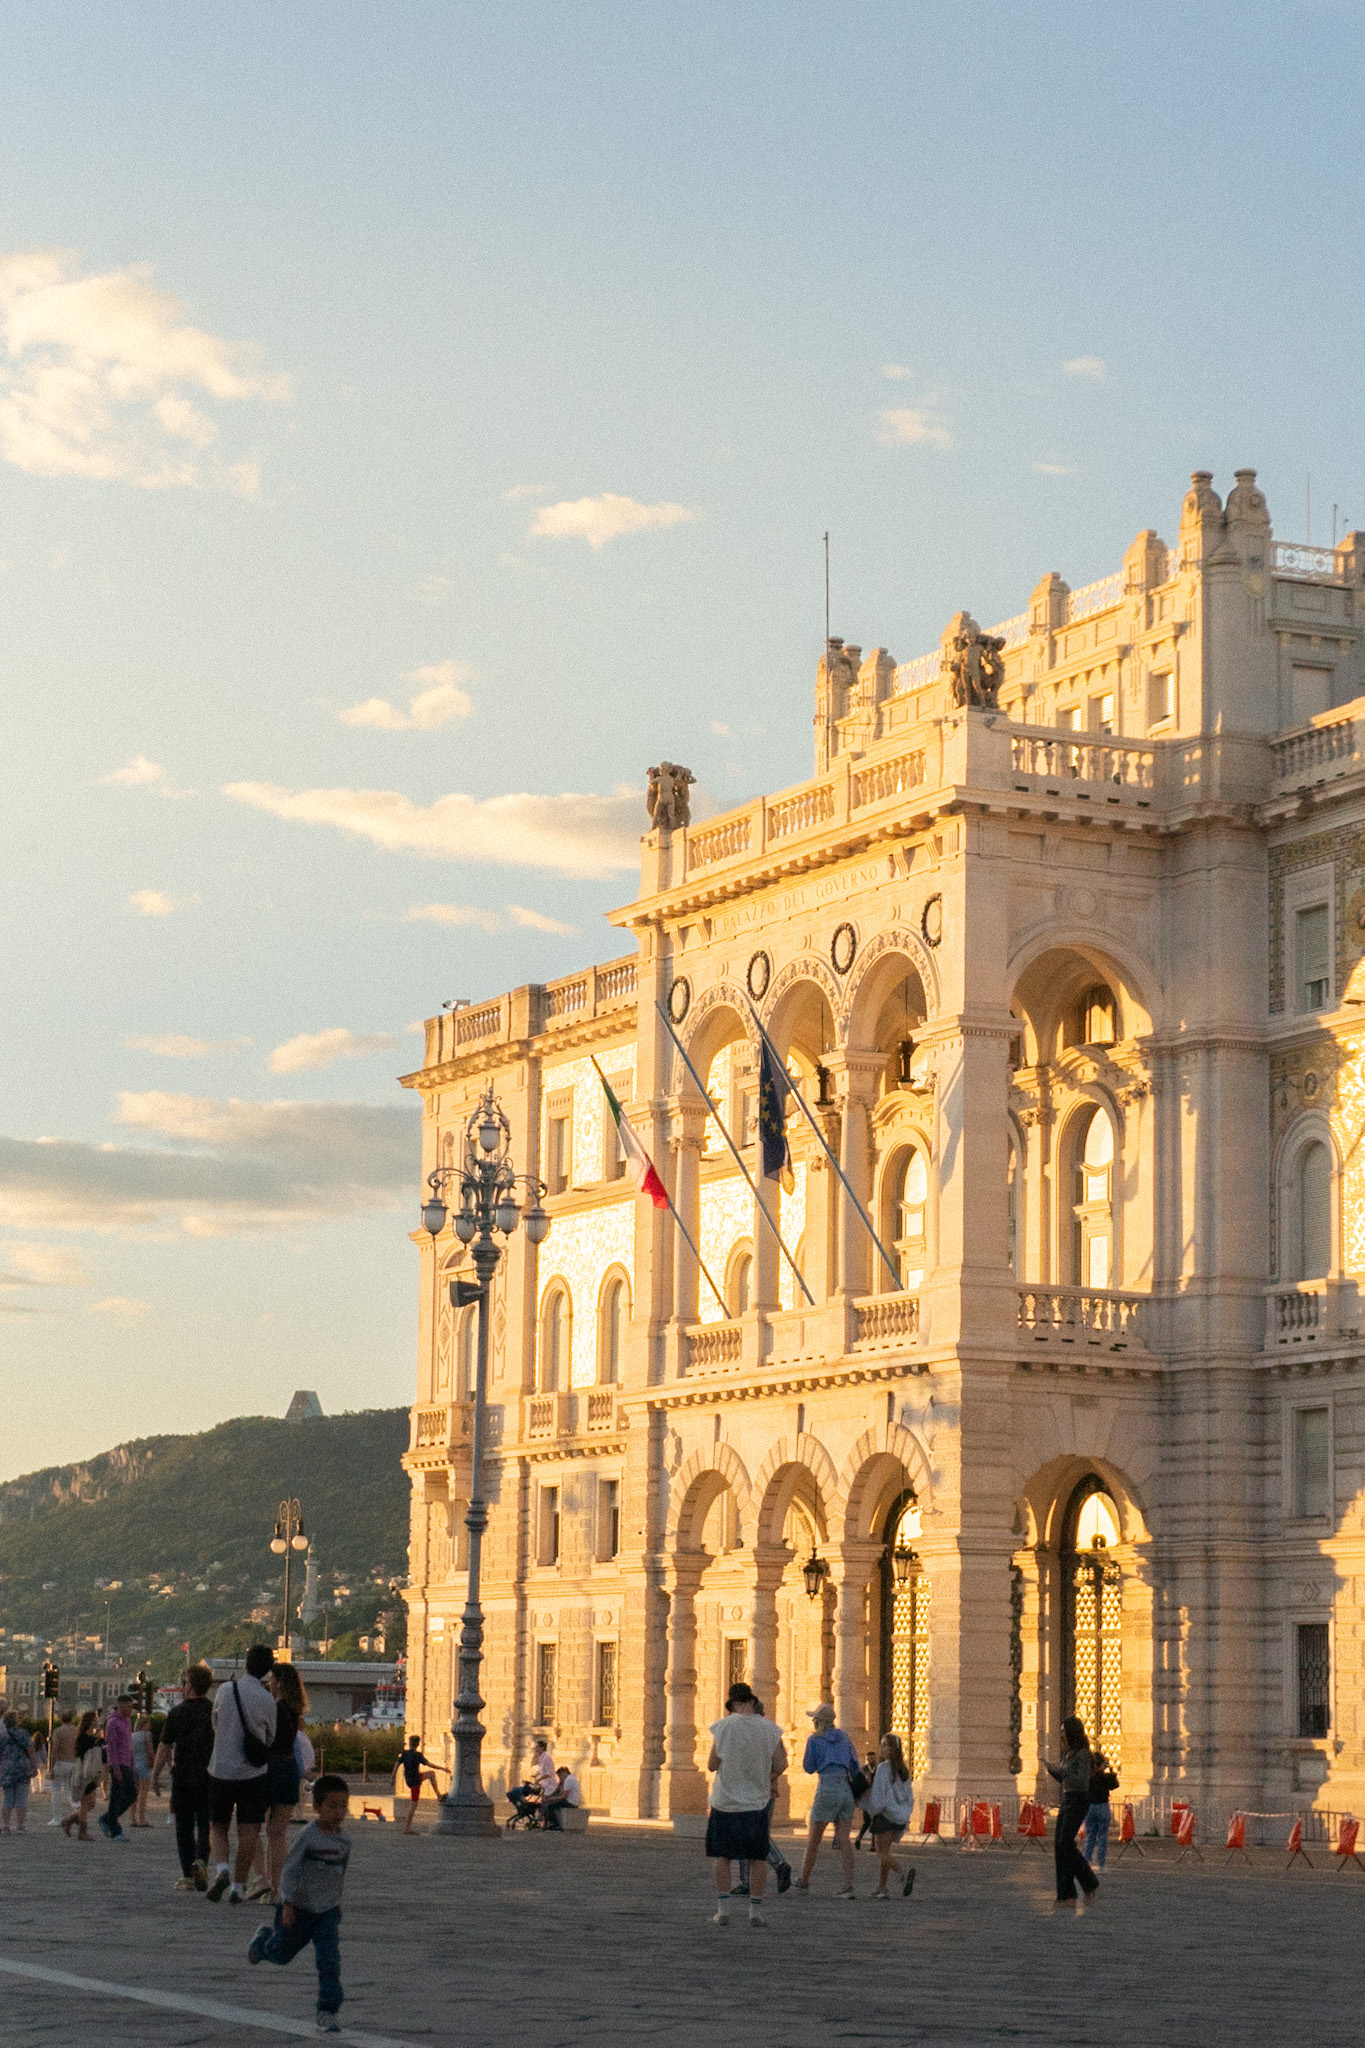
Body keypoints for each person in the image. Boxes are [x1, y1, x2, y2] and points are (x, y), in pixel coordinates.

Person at [248, 1773, 351, 2034]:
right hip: (298, 1909)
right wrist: (288, 1903)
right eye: (332, 1806)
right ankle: (263, 1942)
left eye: (343, 1805)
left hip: (326, 1912)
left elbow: (339, 1874)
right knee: (282, 1954)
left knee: (329, 1960)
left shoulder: (345, 1841)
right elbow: (289, 1870)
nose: (339, 1812)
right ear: (317, 1807)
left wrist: (336, 1905)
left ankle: (328, 2010)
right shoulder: (307, 1837)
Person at [704, 1681, 787, 1927]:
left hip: (725, 1802)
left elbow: (711, 1764)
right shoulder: (770, 1729)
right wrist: (765, 1777)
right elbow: (781, 1764)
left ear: (733, 1704)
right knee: (757, 1858)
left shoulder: (722, 1727)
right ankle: (755, 1911)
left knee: (723, 1857)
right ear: (752, 1701)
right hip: (756, 1803)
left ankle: (723, 1909)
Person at [206, 1644, 277, 1903]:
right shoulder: (267, 1698)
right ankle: (238, 1886)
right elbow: (270, 1736)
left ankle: (222, 1869)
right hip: (253, 1774)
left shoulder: (225, 1690)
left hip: (221, 1769)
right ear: (268, 1670)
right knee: (249, 1832)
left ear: (246, 1663)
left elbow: (215, 1724)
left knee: (218, 1826)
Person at [247, 1662, 309, 1902]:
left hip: (269, 1769)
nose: (269, 1684)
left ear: (279, 1683)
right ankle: (278, 1888)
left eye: (272, 1680)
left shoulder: (275, 1709)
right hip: (289, 1768)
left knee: (251, 1825)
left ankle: (261, 1878)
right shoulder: (295, 1710)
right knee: (278, 1833)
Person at [153, 1665, 215, 1891]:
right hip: (209, 1774)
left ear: (189, 1686)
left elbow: (165, 1746)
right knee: (207, 1822)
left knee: (184, 1825)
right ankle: (202, 1861)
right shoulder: (214, 1711)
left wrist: (155, 1775)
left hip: (183, 1775)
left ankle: (188, 1873)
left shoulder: (177, 1713)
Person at [793, 1702, 860, 1898]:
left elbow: (809, 1767)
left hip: (827, 1788)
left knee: (814, 1839)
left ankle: (803, 1880)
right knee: (844, 1840)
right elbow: (854, 1764)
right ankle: (848, 1885)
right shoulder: (844, 1738)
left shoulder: (814, 1740)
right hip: (845, 1789)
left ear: (819, 1722)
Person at [730, 1694, 792, 1897]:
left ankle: (773, 1865)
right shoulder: (771, 1733)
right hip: (767, 1790)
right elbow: (782, 1764)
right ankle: (759, 1873)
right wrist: (767, 1778)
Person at [1045, 1713, 1100, 1911]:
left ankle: (1089, 1881)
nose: (1061, 1736)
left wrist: (1063, 1772)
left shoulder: (1083, 1754)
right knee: (1059, 1845)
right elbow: (1065, 1778)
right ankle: (1065, 1893)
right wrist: (1052, 1770)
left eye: (1063, 1732)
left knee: (1066, 1843)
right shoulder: (1068, 1754)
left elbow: (1079, 1779)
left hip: (1078, 1799)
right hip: (1067, 1798)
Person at [864, 1733, 916, 1899]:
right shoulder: (904, 1771)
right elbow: (908, 1795)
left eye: (885, 1745)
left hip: (885, 1815)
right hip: (899, 1815)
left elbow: (879, 1794)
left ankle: (903, 1872)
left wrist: (871, 1808)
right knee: (886, 1852)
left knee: (881, 1853)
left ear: (893, 1749)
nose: (882, 1748)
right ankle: (881, 1887)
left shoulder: (883, 1769)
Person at [99, 1694, 138, 1841]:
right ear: (120, 1705)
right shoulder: (113, 1723)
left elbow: (129, 1745)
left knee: (131, 1794)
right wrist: (115, 1768)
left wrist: (132, 1762)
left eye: (131, 1706)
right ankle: (115, 1829)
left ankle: (108, 1818)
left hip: (127, 1762)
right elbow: (112, 1747)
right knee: (116, 1796)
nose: (129, 1709)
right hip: (118, 1764)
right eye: (127, 1706)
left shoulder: (128, 1722)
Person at [64, 1711, 105, 1840]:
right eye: (94, 1720)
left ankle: (70, 1820)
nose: (96, 1722)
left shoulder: (91, 1736)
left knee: (91, 1803)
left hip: (92, 1772)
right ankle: (82, 1831)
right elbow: (88, 1751)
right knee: (86, 1802)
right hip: (84, 1772)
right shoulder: (83, 1736)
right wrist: (98, 1738)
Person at [397, 1736, 446, 1832]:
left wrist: (392, 1778)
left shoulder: (404, 1754)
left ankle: (438, 1795)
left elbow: (396, 1765)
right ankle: (407, 1828)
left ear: (409, 1743)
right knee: (413, 1806)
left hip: (410, 1780)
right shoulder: (418, 1755)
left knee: (431, 1774)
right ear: (418, 1744)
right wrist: (442, 1768)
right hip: (415, 1782)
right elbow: (430, 1764)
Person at [0, 1712, 37, 1834]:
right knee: (21, 1798)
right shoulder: (24, 1734)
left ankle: (5, 1826)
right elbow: (30, 1750)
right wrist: (34, 1766)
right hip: (22, 1768)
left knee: (7, 1799)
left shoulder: (2, 1736)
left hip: (7, 1768)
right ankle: (20, 1826)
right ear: (17, 1721)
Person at [1083, 1749, 1119, 1871]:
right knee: (1102, 1836)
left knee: (1090, 1835)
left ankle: (1086, 1860)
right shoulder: (1104, 1777)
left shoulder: (1087, 1777)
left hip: (1089, 1807)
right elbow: (1115, 1785)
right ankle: (1101, 1863)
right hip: (1102, 1806)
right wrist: (1109, 1771)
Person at [507, 1736, 556, 1825]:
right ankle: (542, 1817)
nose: (536, 1749)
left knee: (545, 1801)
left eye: (537, 1747)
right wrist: (535, 1776)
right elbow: (541, 1770)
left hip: (549, 1784)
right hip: (545, 1783)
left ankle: (543, 1818)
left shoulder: (546, 1757)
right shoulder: (541, 1757)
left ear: (541, 1747)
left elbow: (548, 1773)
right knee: (543, 1800)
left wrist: (538, 1779)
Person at [48, 1711, 78, 1827]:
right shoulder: (76, 1731)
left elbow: (55, 1749)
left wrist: (51, 1766)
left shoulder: (58, 1731)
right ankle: (76, 1811)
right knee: (69, 1789)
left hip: (61, 1762)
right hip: (73, 1762)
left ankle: (56, 1818)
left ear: (61, 1719)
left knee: (56, 1791)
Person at [540, 1764, 583, 1830]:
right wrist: (550, 1796)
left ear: (563, 1773)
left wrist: (551, 1799)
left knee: (550, 1806)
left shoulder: (568, 1780)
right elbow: (557, 1792)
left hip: (570, 1802)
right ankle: (548, 1824)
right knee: (550, 1802)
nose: (560, 1778)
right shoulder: (571, 1778)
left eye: (560, 1776)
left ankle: (556, 1825)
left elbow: (564, 1796)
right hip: (572, 1801)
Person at [131, 1715, 156, 1826]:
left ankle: (133, 1819)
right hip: (144, 1765)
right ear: (144, 1725)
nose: (149, 1726)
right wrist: (155, 1762)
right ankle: (142, 1819)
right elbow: (150, 1750)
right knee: (144, 1793)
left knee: (134, 1793)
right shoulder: (147, 1735)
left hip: (134, 1765)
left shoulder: (132, 1735)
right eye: (148, 1724)